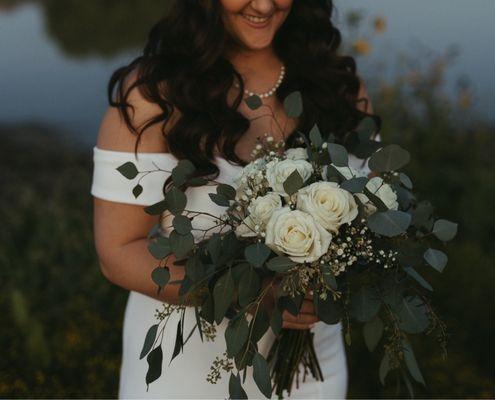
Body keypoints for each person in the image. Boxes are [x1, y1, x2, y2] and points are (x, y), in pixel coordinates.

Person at [91, 0, 381, 397]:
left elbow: (377, 214)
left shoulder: (339, 88)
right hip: (187, 376)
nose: (263, 5)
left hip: (312, 379)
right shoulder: (154, 96)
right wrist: (256, 293)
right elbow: (117, 252)